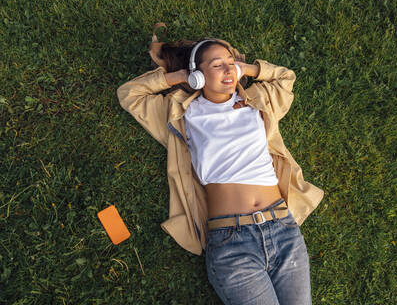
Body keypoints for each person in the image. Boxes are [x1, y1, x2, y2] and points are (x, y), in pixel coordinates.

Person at [117, 31, 324, 304]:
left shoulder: (257, 101)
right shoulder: (182, 113)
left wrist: (247, 68)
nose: (228, 69)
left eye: (231, 62)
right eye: (217, 65)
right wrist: (180, 77)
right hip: (232, 242)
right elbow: (129, 94)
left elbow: (286, 78)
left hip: (283, 229)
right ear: (198, 75)